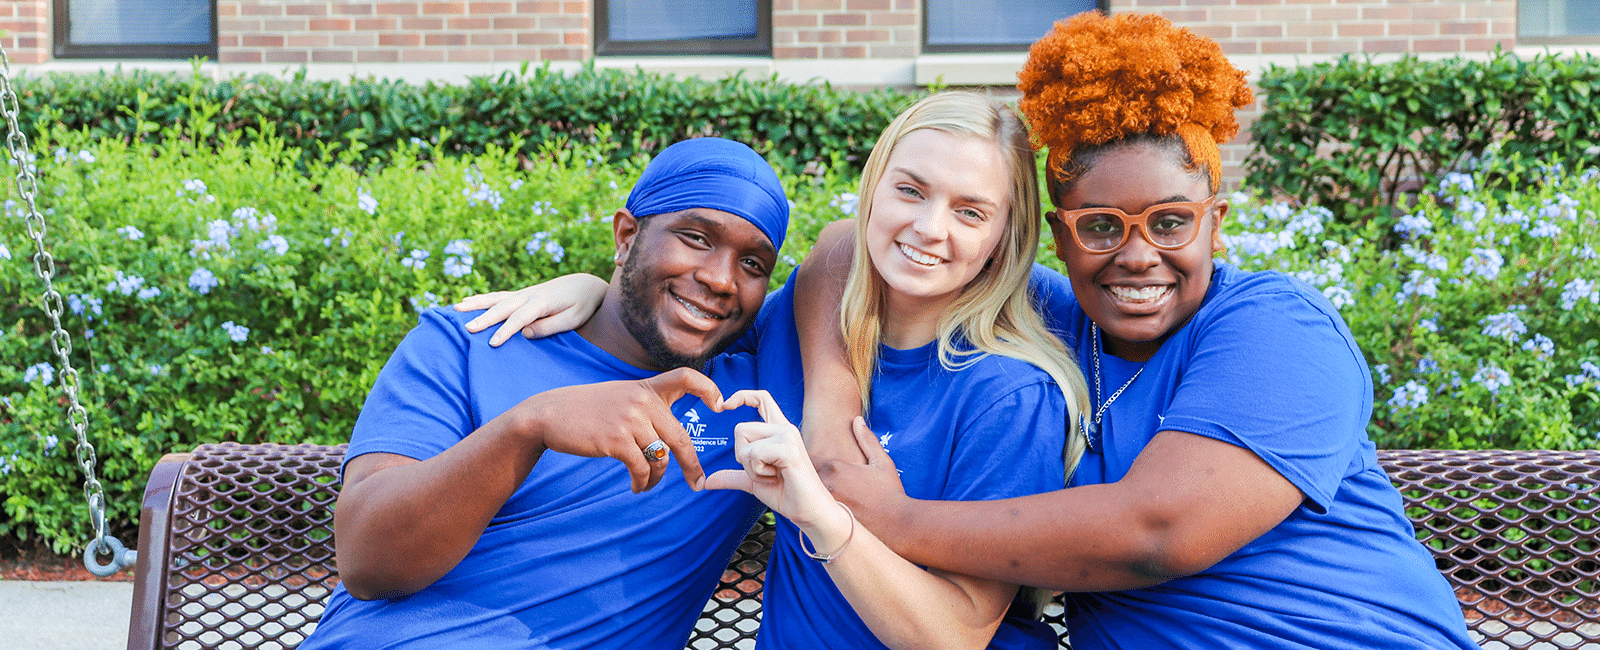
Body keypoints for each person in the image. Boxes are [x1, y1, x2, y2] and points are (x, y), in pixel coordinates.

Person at [790, 12, 1478, 650]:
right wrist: (831, 420)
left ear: (1215, 220)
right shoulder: (1055, 323)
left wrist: (888, 515)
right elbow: (845, 244)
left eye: (1171, 221)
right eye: (1101, 227)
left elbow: (1159, 532)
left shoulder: (1275, 327)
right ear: (1059, 236)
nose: (1138, 254)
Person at [462, 92, 1091, 650]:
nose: (929, 228)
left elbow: (954, 636)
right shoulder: (791, 327)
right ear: (874, 189)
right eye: (910, 190)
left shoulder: (1011, 394)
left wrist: (821, 513)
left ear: (1004, 237)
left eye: (971, 212)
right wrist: (599, 289)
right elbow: (707, 305)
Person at [298, 137, 788, 650]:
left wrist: (591, 285)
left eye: (754, 264)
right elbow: (368, 561)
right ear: (625, 237)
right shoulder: (472, 341)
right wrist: (531, 425)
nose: (721, 278)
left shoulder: (745, 398)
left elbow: (851, 249)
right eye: (695, 238)